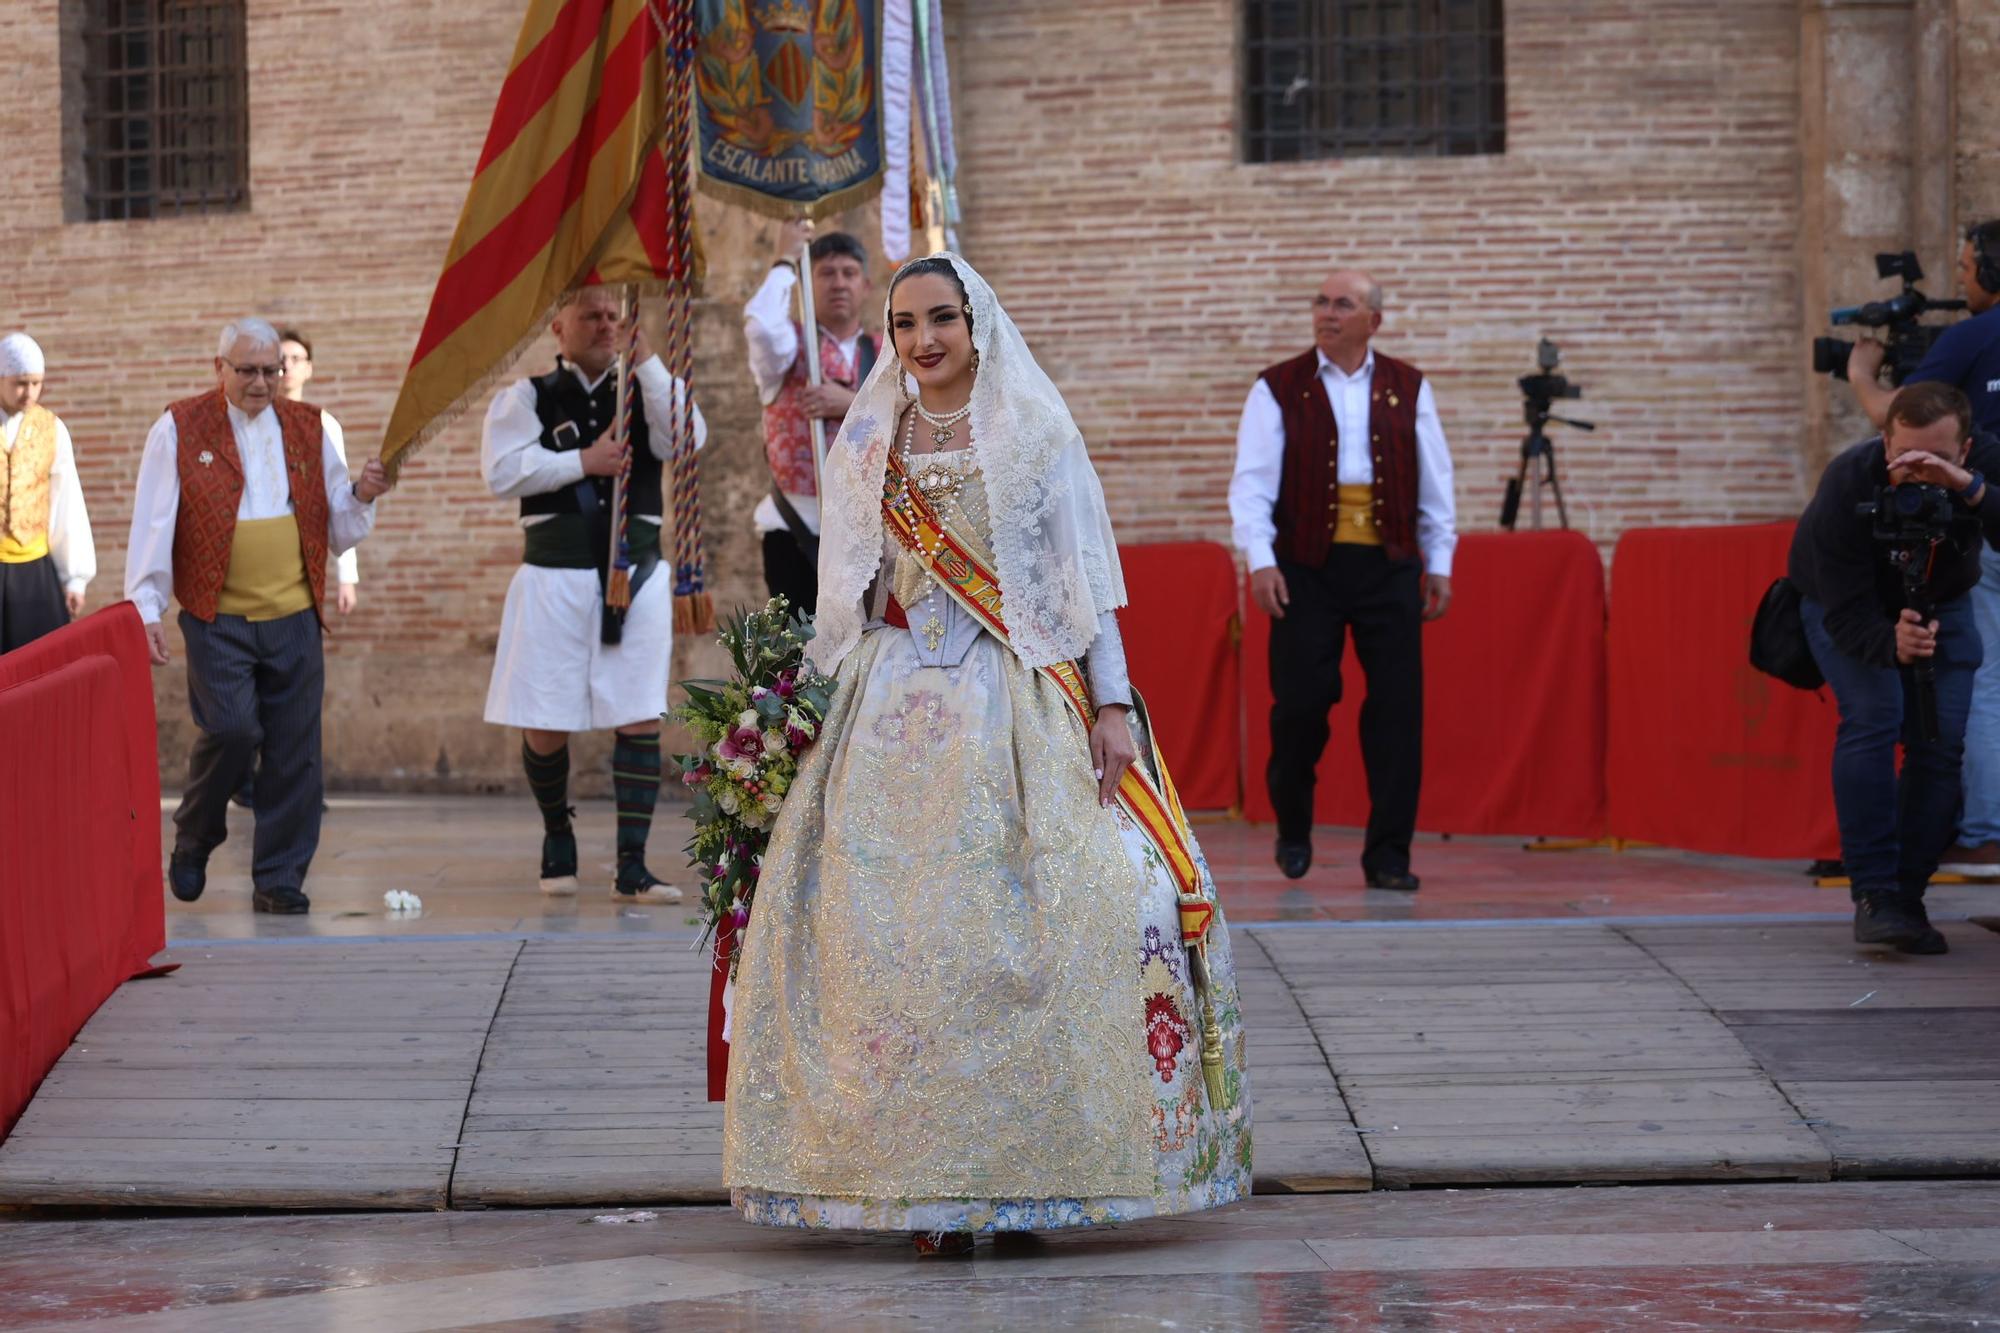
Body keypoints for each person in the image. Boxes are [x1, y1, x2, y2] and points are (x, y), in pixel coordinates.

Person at [722, 254, 1252, 1254]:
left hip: (1017, 697)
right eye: (907, 323)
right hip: (891, 707)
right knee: (886, 939)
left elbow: (1083, 583)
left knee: (1071, 909)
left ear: (978, 324)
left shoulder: (1035, 433)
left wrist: (1110, 707)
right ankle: (914, 1186)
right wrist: (796, 711)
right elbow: (849, 589)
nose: (924, 340)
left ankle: (1034, 1176)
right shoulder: (869, 436)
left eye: (942, 319)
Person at [126, 318, 391, 914]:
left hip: (295, 615)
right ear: (217, 367)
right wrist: (146, 607)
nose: (261, 382)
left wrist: (365, 494)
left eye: (272, 370)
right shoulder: (176, 426)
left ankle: (279, 878)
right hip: (216, 615)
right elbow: (153, 522)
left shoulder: (315, 426)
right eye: (247, 370)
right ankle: (195, 834)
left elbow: (340, 527)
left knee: (296, 751)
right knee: (232, 730)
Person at [1228, 268, 1457, 891]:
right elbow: (1252, 483)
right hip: (1305, 567)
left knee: (1397, 712)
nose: (1327, 313)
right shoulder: (1277, 387)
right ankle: (1293, 825)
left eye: (1343, 304)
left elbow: (1435, 480)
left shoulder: (1409, 386)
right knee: (1302, 705)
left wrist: (1440, 561)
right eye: (1321, 302)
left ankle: (1388, 856)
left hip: (1390, 565)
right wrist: (1262, 559)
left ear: (1373, 321)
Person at [482, 287, 707, 904]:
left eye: (615, 315)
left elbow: (689, 439)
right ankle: (558, 833)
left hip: (638, 576)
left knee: (638, 711)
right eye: (593, 315)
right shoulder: (527, 396)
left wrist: (649, 362)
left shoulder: (644, 388)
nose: (607, 324)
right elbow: (502, 471)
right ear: (558, 325)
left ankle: (632, 864)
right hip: (553, 577)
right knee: (546, 717)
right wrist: (584, 460)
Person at [1788, 382, 2000, 954]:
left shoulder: (1983, 467)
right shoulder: (1849, 480)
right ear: (1884, 442)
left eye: (1938, 458)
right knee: (1875, 716)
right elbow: (1845, 606)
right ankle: (1874, 894)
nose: (1919, 470)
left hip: (1944, 600)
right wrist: (1891, 645)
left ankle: (1907, 896)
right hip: (1844, 603)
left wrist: (1969, 489)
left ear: (1967, 447)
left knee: (1939, 740)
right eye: (1906, 456)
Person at [1849, 221, 2000, 876]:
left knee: (1989, 677)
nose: (1961, 280)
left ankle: (1986, 831)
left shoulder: (1973, 336)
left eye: (1966, 268)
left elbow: (1898, 418)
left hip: (1983, 517)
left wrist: (1861, 372)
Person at [233, 329, 352, 810]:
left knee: (297, 705)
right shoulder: (235, 424)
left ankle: (300, 791)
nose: (282, 368)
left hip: (298, 591)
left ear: (304, 369)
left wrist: (347, 574)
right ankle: (246, 780)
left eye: (292, 360)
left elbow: (339, 504)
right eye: (274, 361)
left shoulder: (321, 426)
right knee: (240, 711)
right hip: (237, 602)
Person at [740, 220, 876, 613]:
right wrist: (784, 260)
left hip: (866, 529)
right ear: (807, 283)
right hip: (795, 528)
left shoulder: (887, 352)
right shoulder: (786, 349)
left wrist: (848, 403)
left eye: (849, 273)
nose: (838, 283)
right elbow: (763, 327)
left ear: (865, 285)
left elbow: (912, 422)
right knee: (794, 662)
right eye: (826, 273)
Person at [0, 333, 95, 652]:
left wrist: (74, 578)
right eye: (21, 383)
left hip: (35, 571)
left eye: (36, 383)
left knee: (39, 670)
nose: (29, 392)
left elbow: (67, 502)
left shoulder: (52, 428)